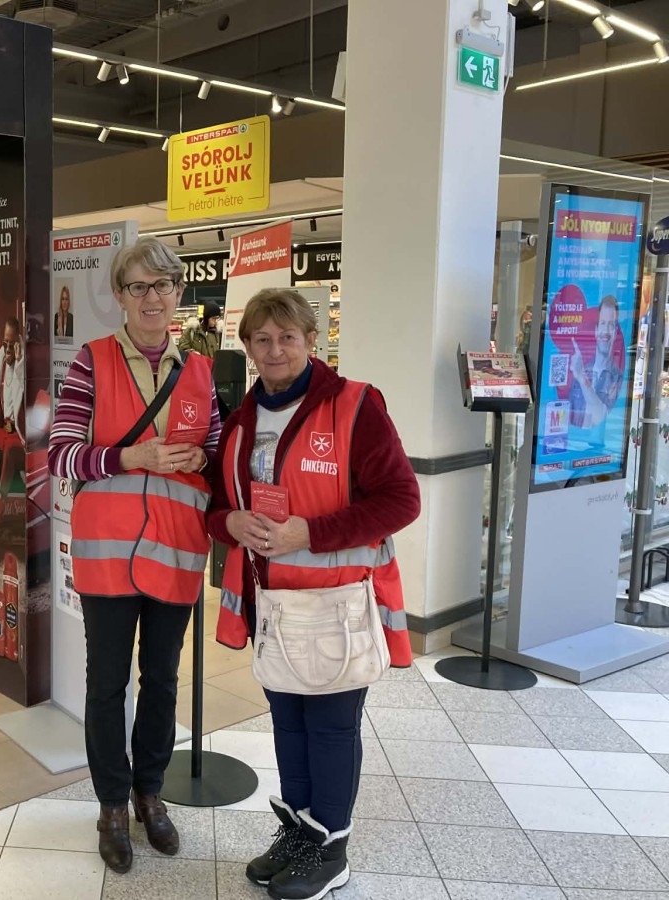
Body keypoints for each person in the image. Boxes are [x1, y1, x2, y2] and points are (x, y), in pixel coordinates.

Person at [206, 289, 419, 900]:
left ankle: (332, 848)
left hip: (336, 604)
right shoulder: (242, 421)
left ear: (311, 341)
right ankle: (301, 833)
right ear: (248, 347)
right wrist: (230, 523)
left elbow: (401, 500)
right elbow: (217, 506)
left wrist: (310, 533)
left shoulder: (355, 406)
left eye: (287, 337)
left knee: (329, 728)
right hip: (272, 606)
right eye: (263, 339)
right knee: (289, 726)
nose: (275, 350)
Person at [48, 237, 222, 874]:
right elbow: (62, 454)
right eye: (139, 287)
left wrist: (202, 456)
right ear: (120, 296)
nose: (153, 298)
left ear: (179, 293)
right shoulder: (92, 362)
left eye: (164, 285)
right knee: (107, 684)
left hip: (176, 549)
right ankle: (112, 806)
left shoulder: (199, 370)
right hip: (108, 552)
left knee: (163, 682)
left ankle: (151, 794)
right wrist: (130, 457)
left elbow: (217, 451)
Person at [569, 295, 623, 430]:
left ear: (615, 332)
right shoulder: (582, 369)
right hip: (575, 441)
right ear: (596, 330)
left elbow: (600, 418)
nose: (606, 331)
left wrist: (582, 379)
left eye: (611, 325)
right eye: (603, 323)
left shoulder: (617, 377)